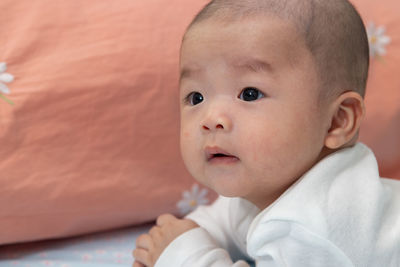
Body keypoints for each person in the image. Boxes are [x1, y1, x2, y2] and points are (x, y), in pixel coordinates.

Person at [133, 0, 400, 266]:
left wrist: (186, 256)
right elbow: (225, 220)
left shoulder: (313, 226)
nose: (211, 119)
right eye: (196, 97)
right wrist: (175, 239)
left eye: (250, 94)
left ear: (336, 121)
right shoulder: (267, 184)